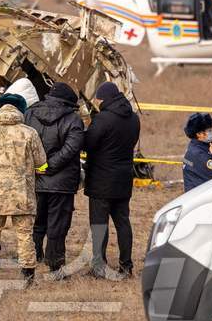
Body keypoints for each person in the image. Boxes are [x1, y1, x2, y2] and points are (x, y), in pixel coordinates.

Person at [0, 93, 46, 291]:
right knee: (25, 236)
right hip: (22, 195)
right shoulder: (29, 133)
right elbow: (40, 161)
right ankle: (28, 280)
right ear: (21, 109)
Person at [82, 81, 140, 280]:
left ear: (104, 98)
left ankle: (99, 266)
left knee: (99, 224)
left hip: (101, 179)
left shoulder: (103, 119)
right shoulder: (133, 119)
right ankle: (126, 266)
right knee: (123, 222)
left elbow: (88, 144)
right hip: (123, 178)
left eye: (98, 99)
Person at [25, 82, 85, 272]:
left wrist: (37, 165)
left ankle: (31, 259)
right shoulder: (73, 119)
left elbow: (23, 142)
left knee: (36, 222)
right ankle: (54, 264)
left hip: (34, 177)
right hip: (62, 182)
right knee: (57, 225)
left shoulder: (30, 113)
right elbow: (71, 148)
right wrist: (49, 166)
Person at [181, 112, 212, 190]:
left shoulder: (198, 147)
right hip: (199, 197)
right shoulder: (198, 154)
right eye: (209, 131)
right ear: (199, 134)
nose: (211, 133)